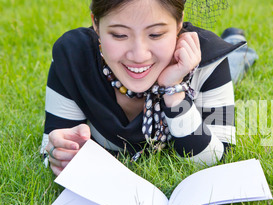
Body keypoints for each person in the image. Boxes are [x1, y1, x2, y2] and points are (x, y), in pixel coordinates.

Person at [40, 0, 257, 176]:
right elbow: (51, 148)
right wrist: (59, 152)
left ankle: (236, 43)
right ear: (96, 24)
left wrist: (174, 90)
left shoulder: (208, 60)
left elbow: (215, 160)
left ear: (179, 22)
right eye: (119, 35)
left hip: (193, 70)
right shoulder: (73, 59)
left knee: (235, 63)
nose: (138, 55)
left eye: (155, 34)